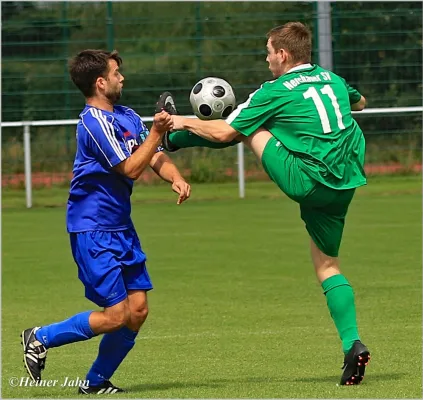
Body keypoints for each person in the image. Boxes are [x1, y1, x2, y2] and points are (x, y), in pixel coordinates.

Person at [157, 22, 370, 386]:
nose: (266, 58)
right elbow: (361, 103)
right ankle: (352, 345)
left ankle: (173, 140)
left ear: (283, 55)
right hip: (346, 180)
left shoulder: (272, 91)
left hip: (307, 181)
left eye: (269, 52)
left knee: (249, 126)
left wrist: (176, 121)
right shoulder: (332, 78)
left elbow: (226, 132)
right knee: (327, 265)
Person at [21, 49, 191, 395]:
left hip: (121, 228)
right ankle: (40, 337)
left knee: (138, 311)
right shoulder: (92, 124)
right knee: (115, 315)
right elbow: (128, 167)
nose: (122, 78)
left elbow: (153, 157)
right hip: (92, 228)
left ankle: (95, 382)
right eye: (116, 73)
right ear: (101, 82)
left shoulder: (127, 115)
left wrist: (174, 175)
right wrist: (157, 133)